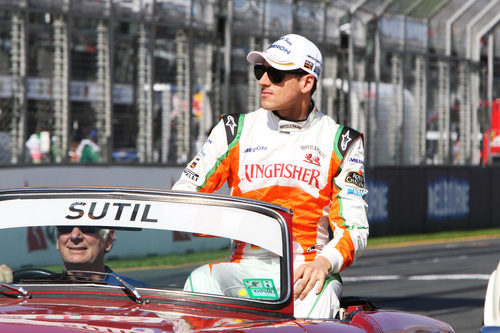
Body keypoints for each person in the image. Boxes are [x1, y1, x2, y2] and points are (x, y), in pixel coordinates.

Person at [173, 33, 369, 319]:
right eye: (260, 71)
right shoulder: (233, 130)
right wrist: (229, 220)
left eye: (276, 74)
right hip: (243, 266)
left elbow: (355, 229)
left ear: (307, 82)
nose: (263, 81)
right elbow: (184, 193)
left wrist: (324, 264)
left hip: (305, 272)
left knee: (317, 304)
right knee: (201, 281)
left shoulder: (342, 142)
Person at [0, 226, 146, 287]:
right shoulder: (32, 291)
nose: (75, 236)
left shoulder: (138, 294)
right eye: (65, 228)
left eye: (87, 227)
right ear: (58, 240)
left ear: (108, 240)